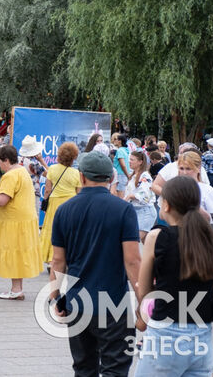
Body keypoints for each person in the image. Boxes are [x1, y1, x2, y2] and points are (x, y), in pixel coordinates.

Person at [49, 150, 141, 376]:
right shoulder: (124, 210)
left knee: (83, 367)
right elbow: (132, 261)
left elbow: (58, 261)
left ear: (81, 176)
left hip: (78, 303)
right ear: (111, 178)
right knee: (115, 367)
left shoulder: (64, 211)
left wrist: (55, 298)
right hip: (114, 304)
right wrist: (144, 302)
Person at [135, 176, 213, 375]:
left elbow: (144, 290)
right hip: (201, 334)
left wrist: (142, 317)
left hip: (165, 333)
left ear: (166, 205)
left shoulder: (157, 237)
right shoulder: (210, 239)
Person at [0, 145, 42, 299]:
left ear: (6, 160)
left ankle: (16, 289)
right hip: (23, 220)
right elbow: (8, 196)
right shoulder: (22, 171)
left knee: (13, 254)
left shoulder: (10, 176)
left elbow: (2, 200)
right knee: (18, 254)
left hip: (13, 222)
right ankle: (17, 288)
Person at [39, 142, 81, 264]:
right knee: (68, 231)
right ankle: (66, 258)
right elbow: (79, 193)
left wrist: (44, 204)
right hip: (71, 204)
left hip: (55, 204)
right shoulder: (76, 173)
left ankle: (52, 257)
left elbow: (47, 190)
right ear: (73, 157)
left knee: (52, 230)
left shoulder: (52, 169)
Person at [175, 151, 213, 221]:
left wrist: (194, 207)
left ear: (198, 168)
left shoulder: (207, 191)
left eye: (188, 169)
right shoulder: (175, 189)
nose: (184, 172)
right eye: (181, 168)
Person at [124, 151, 157, 243]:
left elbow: (145, 196)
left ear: (140, 162)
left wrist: (130, 196)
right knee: (146, 243)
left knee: (133, 241)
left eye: (132, 160)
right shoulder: (133, 175)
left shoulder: (145, 176)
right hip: (135, 210)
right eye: (129, 159)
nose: (129, 161)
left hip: (145, 211)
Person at [18, 135, 48, 212]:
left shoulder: (18, 160)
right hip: (33, 195)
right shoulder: (34, 165)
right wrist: (41, 160)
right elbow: (50, 174)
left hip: (20, 194)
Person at [110, 133, 131, 198]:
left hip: (120, 174)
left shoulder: (119, 151)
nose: (114, 141)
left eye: (116, 139)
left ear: (120, 141)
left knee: (119, 195)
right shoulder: (126, 150)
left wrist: (128, 176)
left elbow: (123, 164)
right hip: (124, 174)